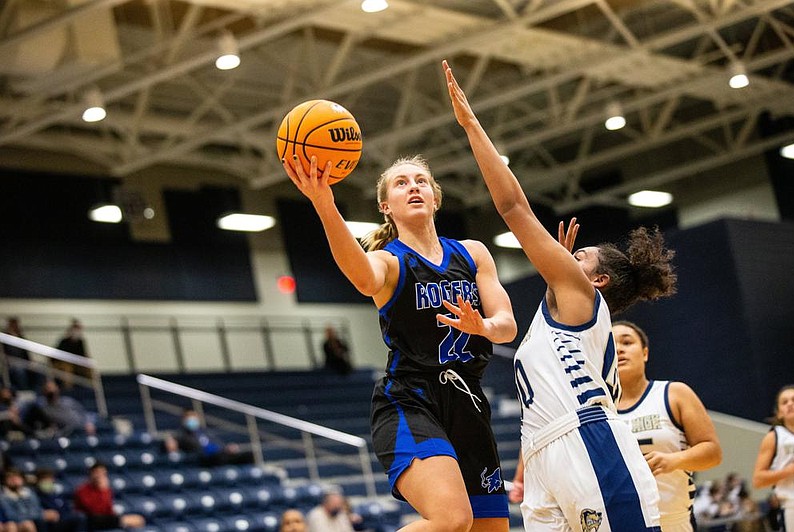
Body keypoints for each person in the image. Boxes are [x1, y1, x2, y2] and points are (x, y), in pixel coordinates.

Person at [444, 59, 676, 531]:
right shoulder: (563, 308)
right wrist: (559, 273)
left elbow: (511, 206)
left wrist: (471, 126)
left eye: (581, 257)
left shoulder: (581, 299)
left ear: (597, 282)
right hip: (546, 451)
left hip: (589, 442)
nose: (570, 258)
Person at [282, 120, 517, 528]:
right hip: (410, 401)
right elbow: (360, 275)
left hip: (469, 405)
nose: (413, 186)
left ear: (436, 198)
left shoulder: (473, 254)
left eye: (422, 181)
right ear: (386, 206)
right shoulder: (390, 263)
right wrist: (324, 203)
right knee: (451, 519)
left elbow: (507, 325)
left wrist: (484, 327)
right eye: (401, 183)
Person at [612, 321, 722, 531]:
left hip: (673, 522)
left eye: (627, 342)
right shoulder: (597, 408)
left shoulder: (674, 394)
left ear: (645, 353)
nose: (619, 349)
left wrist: (674, 460)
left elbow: (713, 452)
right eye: (612, 345)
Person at [753, 384, 794, 532]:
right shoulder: (775, 436)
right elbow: (758, 480)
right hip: (793, 506)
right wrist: (791, 469)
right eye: (784, 402)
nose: (790, 404)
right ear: (779, 413)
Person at [162, 408, 253, 466]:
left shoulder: (204, 432)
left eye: (194, 418)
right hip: (203, 459)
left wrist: (227, 448)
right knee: (218, 456)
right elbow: (171, 445)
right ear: (184, 420)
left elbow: (217, 444)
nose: (193, 420)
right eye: (189, 418)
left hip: (219, 454)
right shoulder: (181, 435)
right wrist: (170, 442)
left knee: (248, 455)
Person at [73, 462, 145, 531]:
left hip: (105, 520)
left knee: (138, 520)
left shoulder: (106, 489)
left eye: (103, 473)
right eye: (97, 473)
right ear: (91, 473)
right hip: (91, 521)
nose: (100, 476)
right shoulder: (82, 490)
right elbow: (95, 511)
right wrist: (103, 491)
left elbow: (108, 509)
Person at [54, 319, 91, 390]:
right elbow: (59, 354)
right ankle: (68, 387)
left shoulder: (80, 342)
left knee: (89, 364)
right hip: (63, 363)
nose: (77, 332)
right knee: (68, 367)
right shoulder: (64, 341)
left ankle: (91, 385)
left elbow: (83, 354)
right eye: (75, 329)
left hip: (76, 362)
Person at [0, 468, 39, 532]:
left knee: (29, 524)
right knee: (12, 526)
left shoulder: (30, 493)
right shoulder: (2, 496)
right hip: (13, 523)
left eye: (17, 477)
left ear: (22, 479)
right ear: (4, 481)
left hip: (26, 521)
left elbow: (37, 512)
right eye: (10, 478)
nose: (14, 480)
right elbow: (10, 515)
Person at [2, 318, 34, 391]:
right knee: (19, 370)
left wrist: (31, 362)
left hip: (23, 362)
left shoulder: (21, 338)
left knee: (38, 369)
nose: (15, 327)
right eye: (13, 325)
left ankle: (35, 390)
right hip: (11, 363)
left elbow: (26, 353)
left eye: (16, 325)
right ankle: (23, 390)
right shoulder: (4, 338)